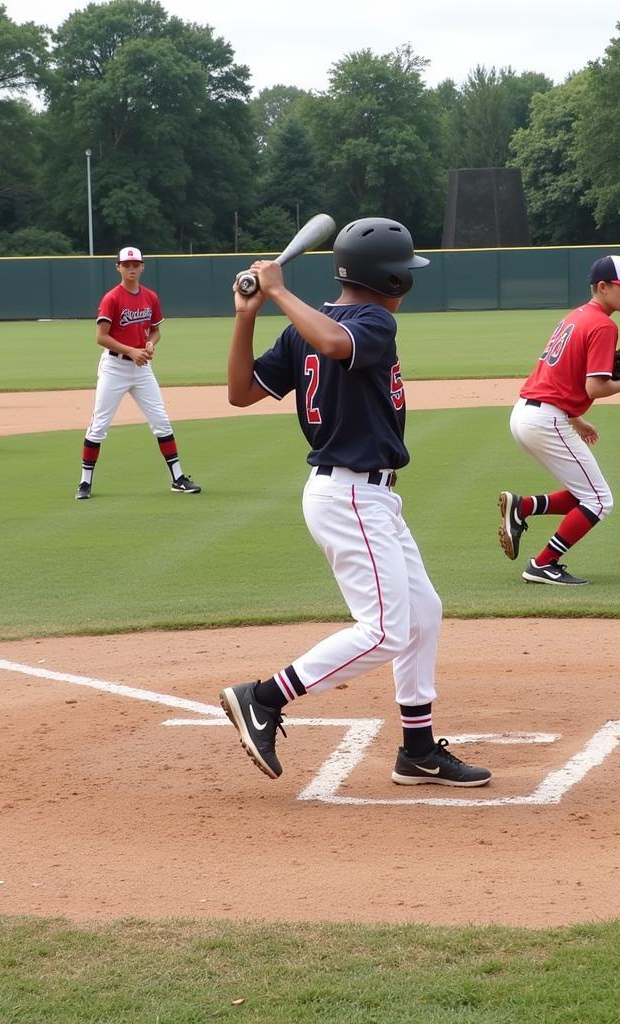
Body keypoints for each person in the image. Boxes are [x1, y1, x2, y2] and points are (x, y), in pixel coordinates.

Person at [219, 217, 491, 788]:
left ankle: (417, 749)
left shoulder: (310, 327)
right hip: (348, 495)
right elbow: (248, 389)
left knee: (423, 613)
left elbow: (249, 388)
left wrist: (262, 304)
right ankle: (264, 697)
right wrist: (257, 309)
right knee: (385, 630)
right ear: (393, 279)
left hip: (368, 498)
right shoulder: (367, 322)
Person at [499, 254, 620, 586]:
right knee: (599, 501)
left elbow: (560, 375)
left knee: (585, 492)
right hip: (544, 420)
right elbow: (594, 386)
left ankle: (522, 507)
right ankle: (543, 563)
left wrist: (576, 419)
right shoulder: (603, 324)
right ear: (602, 287)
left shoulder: (576, 316)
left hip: (528, 412)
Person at [75, 246, 201, 499]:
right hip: (114, 367)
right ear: (118, 267)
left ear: (142, 266)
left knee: (161, 421)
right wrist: (132, 351)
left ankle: (178, 478)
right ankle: (85, 483)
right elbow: (101, 337)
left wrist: (150, 344)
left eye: (135, 264)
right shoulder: (112, 298)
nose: (131, 269)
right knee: (99, 425)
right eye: (126, 265)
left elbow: (155, 330)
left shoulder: (150, 297)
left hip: (141, 367)